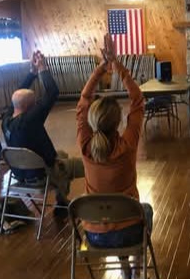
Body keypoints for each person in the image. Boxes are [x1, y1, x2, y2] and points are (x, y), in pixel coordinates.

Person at [76, 34, 149, 248]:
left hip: (94, 237)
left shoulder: (85, 147)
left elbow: (83, 101)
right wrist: (117, 65)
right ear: (119, 121)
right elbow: (137, 99)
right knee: (148, 211)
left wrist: (102, 68)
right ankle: (133, 265)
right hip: (130, 232)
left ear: (92, 120)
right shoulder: (127, 146)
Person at [2, 50, 84, 212]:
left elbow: (16, 95)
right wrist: (42, 68)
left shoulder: (5, 120)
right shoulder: (30, 120)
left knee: (62, 154)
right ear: (31, 107)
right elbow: (52, 92)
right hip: (41, 174)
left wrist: (32, 73)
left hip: (20, 173)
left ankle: (61, 201)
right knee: (88, 164)